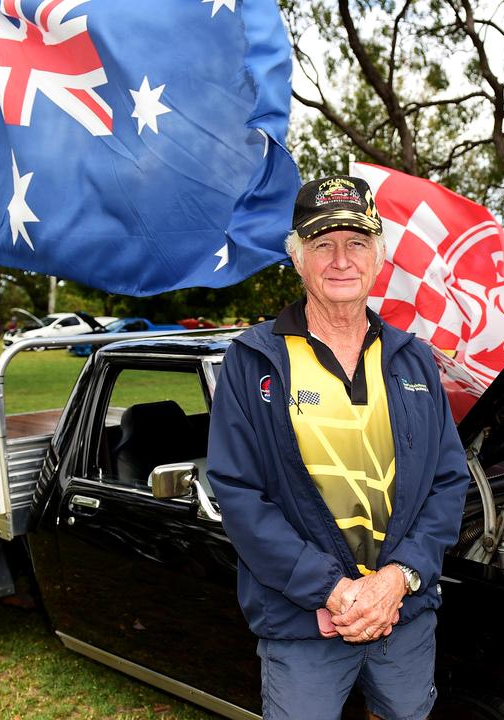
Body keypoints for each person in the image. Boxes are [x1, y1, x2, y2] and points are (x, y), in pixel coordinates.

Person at [207, 175, 471, 720]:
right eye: (322, 244)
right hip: (303, 621)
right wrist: (333, 591)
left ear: (378, 257)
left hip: (403, 614)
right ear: (298, 259)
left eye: (356, 243)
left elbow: (448, 481)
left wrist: (398, 579)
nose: (341, 260)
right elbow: (238, 494)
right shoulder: (254, 359)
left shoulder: (414, 359)